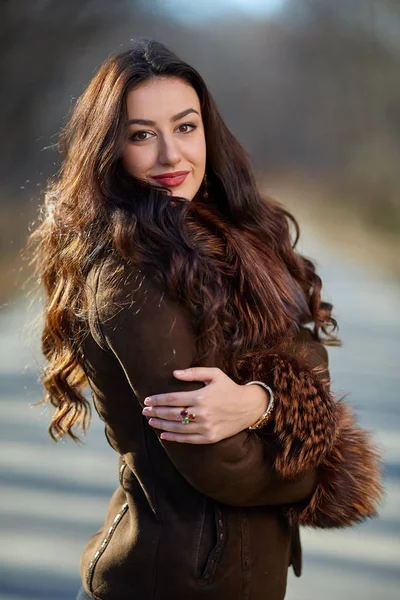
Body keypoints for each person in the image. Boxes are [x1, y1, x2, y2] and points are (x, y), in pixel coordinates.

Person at [29, 39, 383, 600]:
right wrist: (329, 470)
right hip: (170, 580)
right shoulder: (130, 273)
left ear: (208, 131)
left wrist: (261, 400)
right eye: (142, 135)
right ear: (109, 149)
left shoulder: (236, 240)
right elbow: (219, 463)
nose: (172, 155)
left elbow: (306, 352)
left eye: (185, 127)